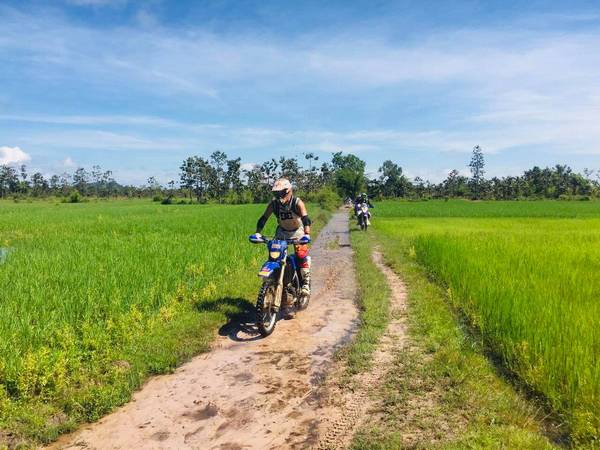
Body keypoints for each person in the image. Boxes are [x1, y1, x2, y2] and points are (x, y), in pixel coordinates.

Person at [254, 178, 312, 315]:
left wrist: (307, 234)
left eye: (281, 193)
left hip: (298, 231)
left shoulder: (297, 202)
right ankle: (280, 288)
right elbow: (264, 218)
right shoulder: (273, 205)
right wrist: (257, 233)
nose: (278, 196)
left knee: (300, 254)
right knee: (276, 258)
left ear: (288, 191)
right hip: (282, 232)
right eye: (276, 193)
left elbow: (305, 219)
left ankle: (305, 283)